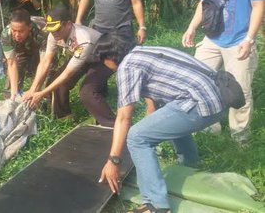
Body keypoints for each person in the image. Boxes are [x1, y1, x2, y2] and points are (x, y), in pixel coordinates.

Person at [96, 34, 226, 213]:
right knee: (167, 116)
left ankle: (156, 206)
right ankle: (189, 166)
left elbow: (124, 117)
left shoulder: (127, 66)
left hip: (200, 103)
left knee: (137, 136)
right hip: (217, 97)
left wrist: (114, 160)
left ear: (109, 58)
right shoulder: (145, 52)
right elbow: (156, 87)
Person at [182, 0, 265, 143]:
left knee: (239, 91)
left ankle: (240, 136)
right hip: (212, 38)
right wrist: (192, 27)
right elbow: (205, 3)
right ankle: (210, 127)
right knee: (198, 80)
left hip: (239, 40)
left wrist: (249, 39)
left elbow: (258, 5)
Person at [22, 5, 112, 122]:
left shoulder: (83, 38)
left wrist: (43, 93)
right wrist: (33, 89)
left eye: (57, 29)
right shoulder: (54, 34)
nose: (54, 33)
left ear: (68, 24)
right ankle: (64, 117)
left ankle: (111, 123)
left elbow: (67, 74)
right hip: (83, 57)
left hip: (103, 58)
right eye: (51, 29)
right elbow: (45, 61)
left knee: (87, 91)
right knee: (55, 81)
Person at [1, 9, 47, 100]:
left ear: (29, 27)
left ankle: (44, 103)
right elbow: (12, 63)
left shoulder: (43, 32)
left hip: (41, 47)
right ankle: (11, 100)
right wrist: (14, 93)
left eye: (21, 31)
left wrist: (33, 90)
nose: (17, 34)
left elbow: (44, 63)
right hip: (21, 48)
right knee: (15, 70)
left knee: (47, 75)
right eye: (14, 30)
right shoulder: (6, 34)